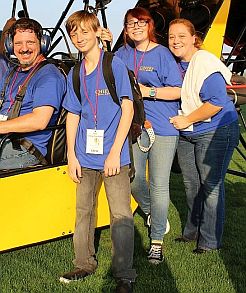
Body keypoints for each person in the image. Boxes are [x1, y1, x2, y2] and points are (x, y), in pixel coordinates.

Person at [60, 11, 136, 293]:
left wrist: (115, 151)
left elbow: (127, 109)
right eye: (74, 33)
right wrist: (71, 154)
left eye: (84, 31)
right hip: (84, 156)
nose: (79, 38)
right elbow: (73, 115)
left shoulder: (114, 65)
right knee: (83, 213)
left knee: (120, 215)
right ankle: (83, 263)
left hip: (114, 156)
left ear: (96, 32)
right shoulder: (75, 73)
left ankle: (124, 274)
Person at [102, 7, 182, 264]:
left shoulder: (163, 55)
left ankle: (156, 240)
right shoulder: (121, 54)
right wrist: (103, 45)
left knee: (159, 183)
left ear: (150, 26)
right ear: (125, 29)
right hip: (135, 127)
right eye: (130, 23)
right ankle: (151, 213)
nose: (136, 27)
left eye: (141, 22)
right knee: (134, 180)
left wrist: (149, 93)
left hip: (163, 128)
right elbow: (107, 76)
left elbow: (177, 91)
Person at [169, 18, 239, 253]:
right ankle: (191, 231)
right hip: (189, 132)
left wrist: (187, 119)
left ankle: (209, 241)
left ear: (193, 38)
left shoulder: (204, 62)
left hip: (216, 129)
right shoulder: (178, 64)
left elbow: (218, 102)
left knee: (210, 185)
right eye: (171, 37)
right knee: (191, 184)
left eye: (181, 36)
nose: (175, 41)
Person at [0, 18, 66, 169]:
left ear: (42, 43)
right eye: (18, 43)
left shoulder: (48, 76)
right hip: (5, 139)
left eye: (30, 42)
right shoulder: (12, 71)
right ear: (10, 46)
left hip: (25, 149)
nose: (24, 49)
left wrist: (1, 127)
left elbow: (39, 120)